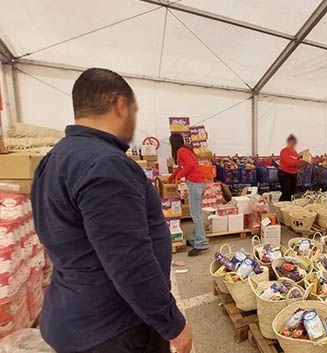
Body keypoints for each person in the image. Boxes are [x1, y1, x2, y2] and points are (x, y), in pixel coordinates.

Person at [31, 68, 192, 353]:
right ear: (120, 106)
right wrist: (173, 325)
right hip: (116, 329)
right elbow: (130, 260)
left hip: (78, 316)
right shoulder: (106, 164)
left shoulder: (54, 159)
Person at [167, 133, 209, 257]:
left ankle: (201, 243)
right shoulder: (186, 150)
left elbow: (189, 166)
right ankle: (194, 238)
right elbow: (181, 166)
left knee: (195, 215)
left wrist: (179, 177)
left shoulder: (181, 151)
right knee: (197, 214)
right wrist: (171, 178)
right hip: (199, 183)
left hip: (195, 184)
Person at [278, 134, 306, 201]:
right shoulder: (284, 151)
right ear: (288, 143)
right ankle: (281, 206)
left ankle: (289, 208)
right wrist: (299, 161)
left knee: (292, 193)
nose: (292, 145)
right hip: (284, 174)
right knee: (286, 193)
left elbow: (296, 166)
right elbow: (289, 163)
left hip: (293, 174)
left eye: (294, 143)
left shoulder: (294, 152)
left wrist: (304, 163)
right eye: (291, 143)